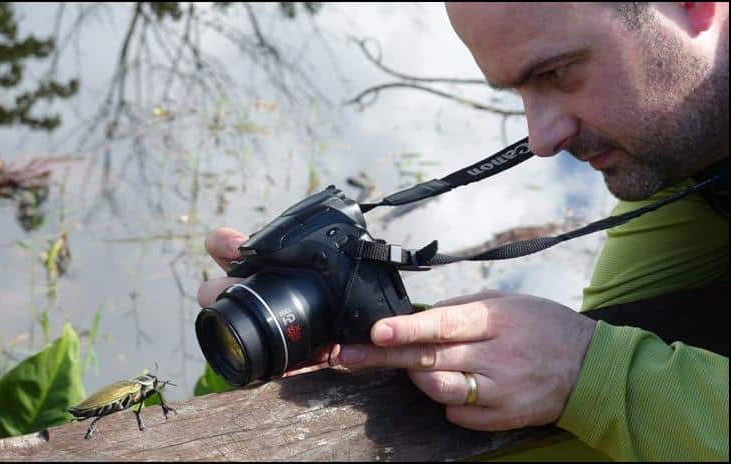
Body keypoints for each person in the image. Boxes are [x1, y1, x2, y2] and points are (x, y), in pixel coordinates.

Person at [197, 3, 728, 460]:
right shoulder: (687, 155)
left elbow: (594, 375)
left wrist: (583, 373)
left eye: (558, 73)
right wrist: (362, 331)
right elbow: (583, 367)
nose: (541, 140)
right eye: (518, 90)